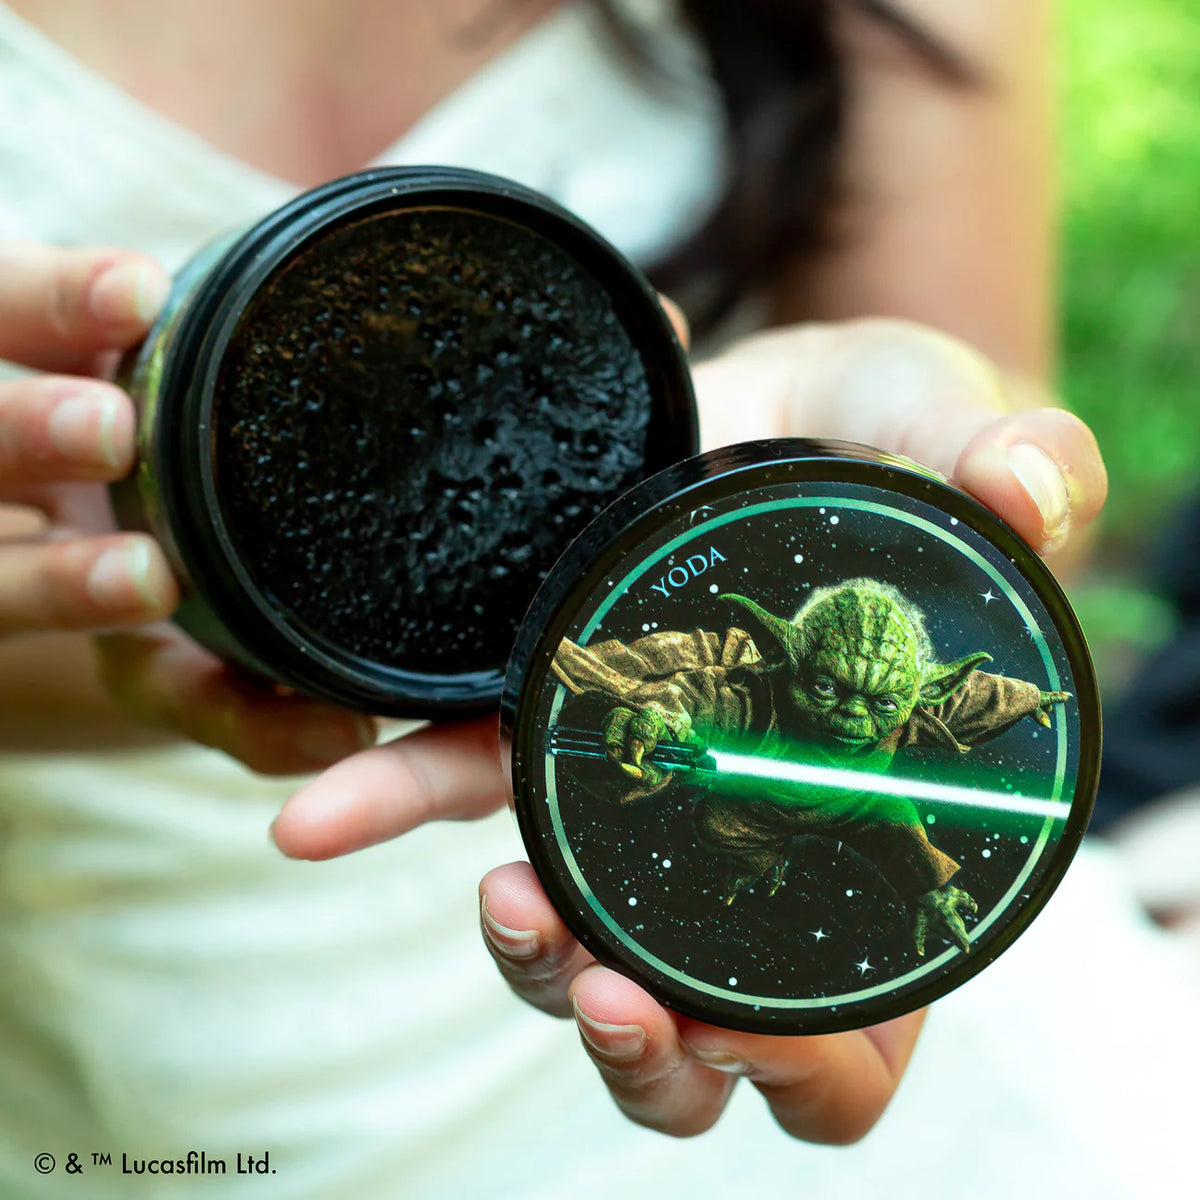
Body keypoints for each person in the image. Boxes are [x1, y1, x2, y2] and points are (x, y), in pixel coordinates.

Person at [3, 2, 1168, 1197]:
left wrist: (915, 457)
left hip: (845, 1002)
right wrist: (100, 617)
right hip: (164, 1038)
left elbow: (986, 542)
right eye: (839, 699)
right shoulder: (719, 677)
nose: (862, 731)